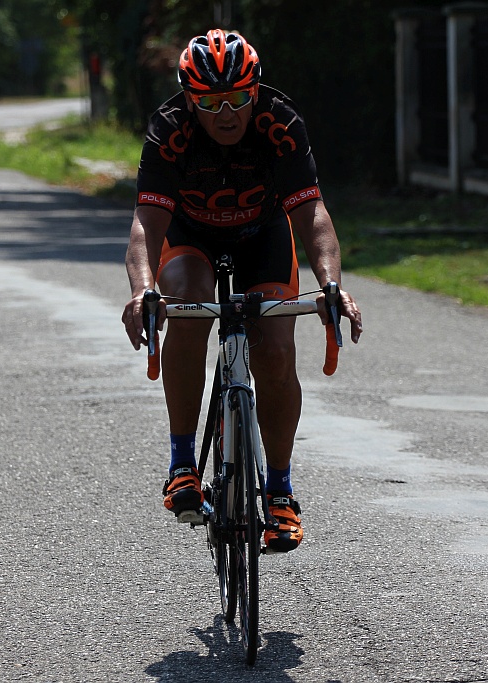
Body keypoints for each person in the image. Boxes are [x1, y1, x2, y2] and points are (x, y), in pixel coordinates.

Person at [121, 28, 362, 553]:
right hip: (191, 236)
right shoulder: (170, 130)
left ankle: (279, 492)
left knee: (275, 350)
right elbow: (147, 223)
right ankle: (183, 463)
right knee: (185, 309)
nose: (226, 113)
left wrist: (331, 285)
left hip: (263, 235)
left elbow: (311, 214)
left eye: (239, 99)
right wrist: (143, 291)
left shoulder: (280, 123)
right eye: (210, 102)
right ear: (190, 99)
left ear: (256, 91)